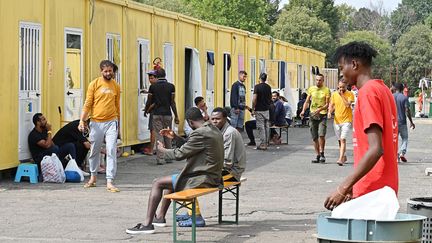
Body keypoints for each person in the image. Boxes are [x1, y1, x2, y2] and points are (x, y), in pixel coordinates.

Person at [324, 41, 399, 210]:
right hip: (383, 188)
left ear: (355, 64)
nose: (341, 74)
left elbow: (376, 149)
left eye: (342, 68)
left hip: (373, 190)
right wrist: (353, 185)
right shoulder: (383, 89)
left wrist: (343, 187)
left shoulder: (368, 93)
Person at [125, 107, 224, 234]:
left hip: (203, 178)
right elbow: (192, 145)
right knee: (170, 182)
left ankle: (147, 224)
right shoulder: (212, 129)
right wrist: (174, 137)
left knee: (157, 182)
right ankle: (160, 217)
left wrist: (162, 151)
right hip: (213, 176)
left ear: (190, 122)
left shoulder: (199, 133)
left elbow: (179, 154)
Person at [78, 60, 121, 192]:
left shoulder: (116, 86)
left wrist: (119, 125)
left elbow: (117, 106)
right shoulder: (94, 84)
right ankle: (93, 177)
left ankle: (110, 180)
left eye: (110, 71)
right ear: (101, 71)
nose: (108, 73)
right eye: (106, 71)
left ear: (113, 71)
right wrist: (82, 121)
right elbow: (88, 103)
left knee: (111, 149)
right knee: (94, 150)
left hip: (111, 122)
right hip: (96, 122)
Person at [144, 68, 180, 165]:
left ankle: (160, 159)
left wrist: (146, 110)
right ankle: (169, 157)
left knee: (159, 135)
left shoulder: (153, 87)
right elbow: (172, 102)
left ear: (157, 76)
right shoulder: (171, 87)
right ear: (165, 75)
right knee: (168, 134)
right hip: (167, 114)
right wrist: (176, 115)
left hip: (157, 114)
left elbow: (149, 100)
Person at [300, 74, 331, 163]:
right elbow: (307, 101)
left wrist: (320, 109)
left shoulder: (326, 90)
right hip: (313, 115)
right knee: (314, 137)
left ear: (323, 80)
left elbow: (327, 104)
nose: (318, 81)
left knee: (321, 135)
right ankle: (317, 155)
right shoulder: (311, 89)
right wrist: (303, 110)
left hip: (322, 115)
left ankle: (322, 153)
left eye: (320, 80)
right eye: (317, 80)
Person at [327, 80, 355, 166]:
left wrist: (342, 95)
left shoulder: (350, 94)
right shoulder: (334, 94)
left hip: (347, 120)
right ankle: (343, 156)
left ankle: (340, 158)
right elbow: (332, 105)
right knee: (340, 141)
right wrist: (329, 112)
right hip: (337, 120)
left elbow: (347, 105)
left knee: (343, 139)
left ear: (346, 86)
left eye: (343, 87)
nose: (341, 89)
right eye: (339, 87)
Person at [392, 82, 415, 162]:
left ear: (395, 88)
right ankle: (402, 152)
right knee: (405, 138)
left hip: (393, 122)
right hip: (402, 122)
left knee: (394, 140)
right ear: (402, 89)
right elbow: (407, 110)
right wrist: (411, 122)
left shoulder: (391, 97)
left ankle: (395, 156)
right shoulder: (404, 98)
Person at [252, 73, 272, 150]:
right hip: (266, 109)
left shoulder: (257, 87)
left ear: (259, 78)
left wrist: (253, 108)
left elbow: (254, 99)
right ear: (265, 79)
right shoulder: (268, 87)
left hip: (259, 109)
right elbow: (270, 98)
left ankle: (263, 144)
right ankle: (267, 142)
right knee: (267, 126)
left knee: (261, 127)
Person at [142, 70, 158, 156]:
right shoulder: (165, 86)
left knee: (153, 130)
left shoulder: (153, 87)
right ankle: (157, 149)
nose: (150, 80)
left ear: (157, 78)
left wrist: (146, 110)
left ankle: (151, 149)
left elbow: (151, 101)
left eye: (152, 78)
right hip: (164, 112)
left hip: (154, 111)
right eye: (149, 78)